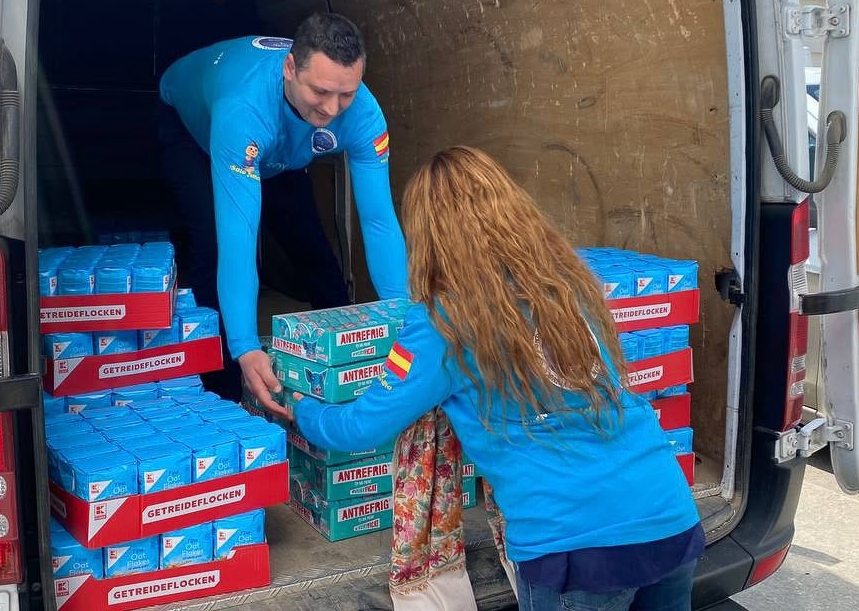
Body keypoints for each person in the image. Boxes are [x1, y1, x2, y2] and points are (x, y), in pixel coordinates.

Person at [292, 147, 704, 611]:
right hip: (668, 511)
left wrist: (299, 407)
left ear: (429, 235)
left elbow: (361, 427)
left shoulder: (442, 324)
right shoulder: (568, 286)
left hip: (575, 546)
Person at [157, 13, 406, 410]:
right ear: (290, 68)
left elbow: (377, 220)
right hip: (197, 131)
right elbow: (238, 238)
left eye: (346, 94)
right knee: (213, 245)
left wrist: (404, 316)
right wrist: (245, 346)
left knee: (311, 246)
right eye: (321, 91)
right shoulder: (243, 108)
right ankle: (227, 393)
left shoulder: (362, 112)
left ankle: (347, 366)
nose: (333, 108)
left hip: (280, 148)